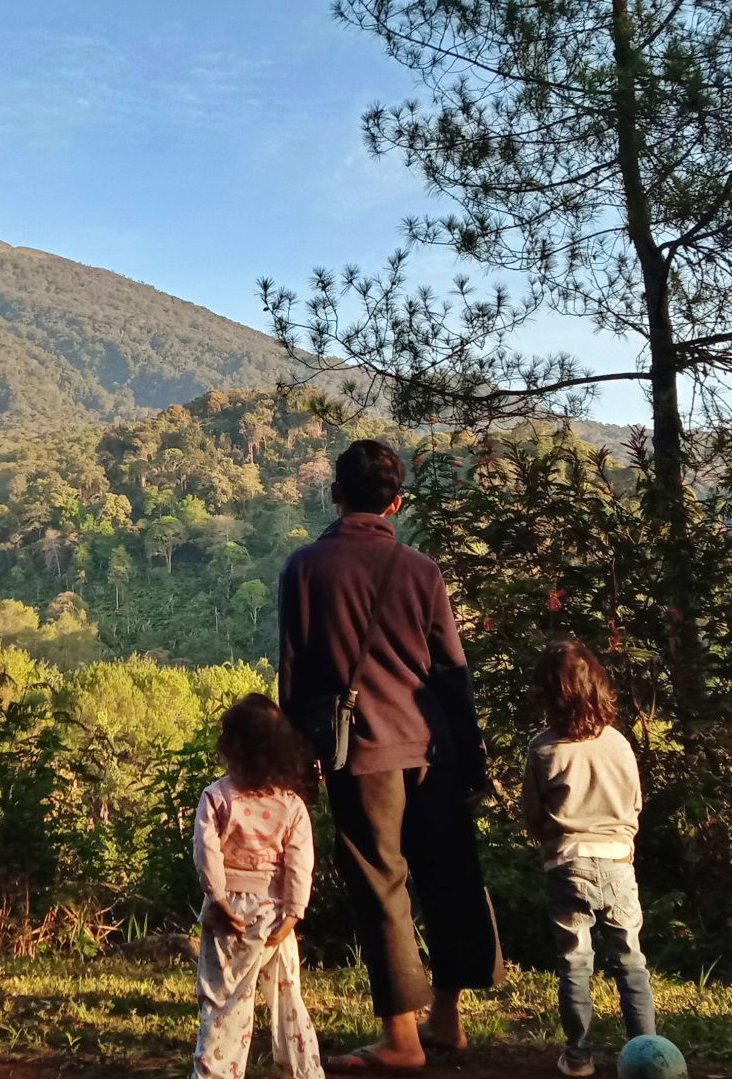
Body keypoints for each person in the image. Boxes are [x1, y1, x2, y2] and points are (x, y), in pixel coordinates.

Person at [278, 439, 503, 1075]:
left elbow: (294, 676)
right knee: (450, 873)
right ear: (396, 503)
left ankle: (402, 1037)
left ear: (335, 494)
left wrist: (301, 765)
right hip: (437, 747)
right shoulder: (420, 569)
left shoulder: (305, 568)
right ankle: (448, 1019)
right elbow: (452, 670)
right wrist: (474, 755)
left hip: (364, 752)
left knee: (382, 885)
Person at [521, 639, 656, 1078]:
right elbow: (634, 804)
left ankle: (578, 1057)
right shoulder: (617, 743)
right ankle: (647, 1052)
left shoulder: (542, 749)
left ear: (548, 695)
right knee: (630, 960)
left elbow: (534, 815)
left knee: (576, 963)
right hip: (618, 861)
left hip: (567, 864)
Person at [190, 692, 325, 1079]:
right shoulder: (291, 805)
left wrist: (216, 897)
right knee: (287, 999)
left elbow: (206, 852)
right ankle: (305, 1071)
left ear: (231, 746)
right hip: (275, 912)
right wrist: (294, 912)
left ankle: (216, 1073)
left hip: (228, 913)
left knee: (223, 1002)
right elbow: (301, 862)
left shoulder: (217, 797)